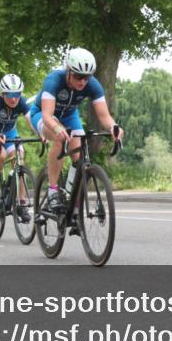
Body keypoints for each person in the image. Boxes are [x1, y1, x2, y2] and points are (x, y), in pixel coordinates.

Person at [28, 48, 123, 221]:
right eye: (79, 76)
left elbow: (104, 116)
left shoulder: (92, 84)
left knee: (79, 155)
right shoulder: (53, 80)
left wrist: (113, 128)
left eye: (87, 77)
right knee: (60, 138)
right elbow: (47, 115)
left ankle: (71, 195)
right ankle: (53, 191)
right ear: (69, 72)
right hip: (42, 115)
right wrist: (58, 129)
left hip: (70, 116)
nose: (83, 81)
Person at [0, 74, 34, 222]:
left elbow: (32, 120)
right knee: (1, 154)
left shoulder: (21, 102)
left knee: (20, 155)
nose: (14, 99)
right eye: (9, 95)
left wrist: (41, 133)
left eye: (17, 94)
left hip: (10, 133)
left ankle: (21, 203)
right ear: (2, 94)